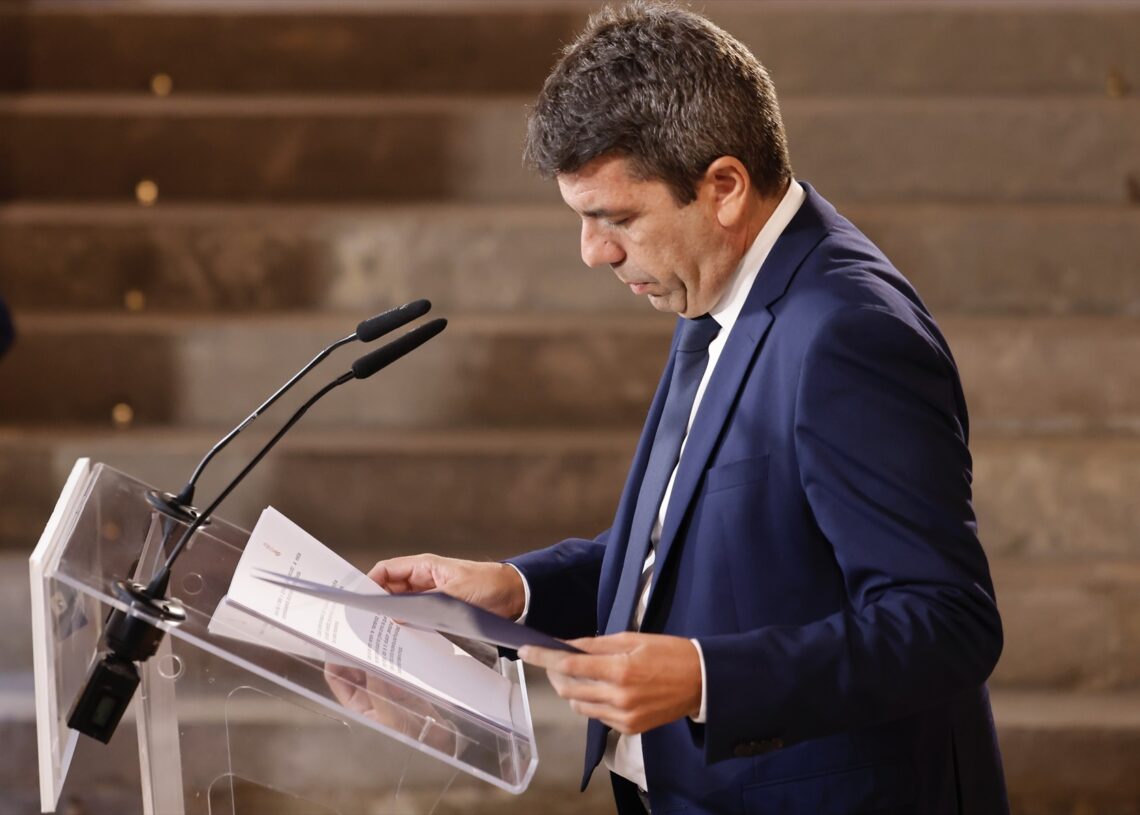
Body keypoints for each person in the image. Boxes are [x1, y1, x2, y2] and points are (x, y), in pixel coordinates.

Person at [371, 3, 1008, 812]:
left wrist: (707, 677)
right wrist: (517, 591)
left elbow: (946, 621)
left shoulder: (849, 332)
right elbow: (696, 547)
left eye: (617, 218)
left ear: (725, 189)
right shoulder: (721, 282)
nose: (594, 252)